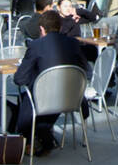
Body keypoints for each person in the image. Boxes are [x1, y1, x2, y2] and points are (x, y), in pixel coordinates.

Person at [14, 10, 92, 156]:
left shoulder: (36, 46)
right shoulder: (74, 43)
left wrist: (36, 76)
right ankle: (44, 136)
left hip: (46, 100)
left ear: (42, 29)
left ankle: (37, 136)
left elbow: (19, 79)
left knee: (30, 96)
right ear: (60, 27)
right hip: (72, 98)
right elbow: (87, 71)